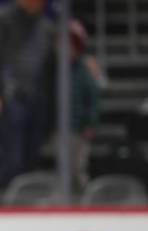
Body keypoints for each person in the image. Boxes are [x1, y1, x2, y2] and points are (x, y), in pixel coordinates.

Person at [0, 0, 56, 187]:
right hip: (11, 96)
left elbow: (57, 61)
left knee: (32, 156)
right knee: (12, 157)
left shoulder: (46, 26)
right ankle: (6, 201)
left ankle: (26, 198)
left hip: (38, 98)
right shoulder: (0, 18)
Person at [69, 19, 100, 191]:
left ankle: (82, 200)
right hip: (63, 128)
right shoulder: (57, 69)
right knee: (65, 168)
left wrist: (90, 123)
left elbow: (93, 99)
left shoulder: (84, 70)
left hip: (80, 128)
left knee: (78, 166)